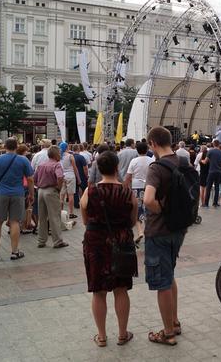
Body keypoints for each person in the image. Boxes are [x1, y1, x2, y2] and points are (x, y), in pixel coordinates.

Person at [80, 151, 137, 347]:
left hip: (95, 244)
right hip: (121, 243)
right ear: (116, 167)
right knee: (121, 289)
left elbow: (85, 219)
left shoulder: (90, 191)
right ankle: (122, 334)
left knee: (98, 291)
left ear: (98, 168)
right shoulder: (127, 192)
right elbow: (132, 221)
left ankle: (102, 336)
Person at [143, 126, 186, 346]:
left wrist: (162, 211)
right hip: (179, 229)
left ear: (153, 144)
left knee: (162, 283)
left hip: (159, 230)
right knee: (169, 275)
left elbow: (148, 200)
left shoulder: (156, 168)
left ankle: (168, 332)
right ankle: (175, 321)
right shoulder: (183, 162)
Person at [0, 138, 34, 262]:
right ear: (16, 146)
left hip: (0, 193)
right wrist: (31, 194)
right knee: (14, 222)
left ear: (4, 146)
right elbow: (30, 179)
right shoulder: (23, 160)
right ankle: (14, 252)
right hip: (17, 194)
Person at [34, 146, 68, 248]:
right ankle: (57, 241)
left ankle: (41, 240)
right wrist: (58, 188)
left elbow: (34, 178)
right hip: (51, 191)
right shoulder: (56, 165)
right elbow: (60, 177)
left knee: (42, 217)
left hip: (40, 191)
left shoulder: (41, 165)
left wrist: (39, 185)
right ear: (56, 154)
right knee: (54, 216)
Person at [123, 141, 154, 244]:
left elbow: (128, 176)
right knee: (148, 209)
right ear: (147, 150)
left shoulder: (134, 161)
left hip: (136, 187)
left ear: (137, 150)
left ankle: (140, 231)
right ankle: (150, 232)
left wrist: (125, 188)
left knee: (137, 209)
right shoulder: (152, 160)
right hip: (149, 187)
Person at [59, 142, 79, 219]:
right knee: (71, 195)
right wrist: (78, 177)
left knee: (61, 195)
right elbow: (75, 168)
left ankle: (60, 212)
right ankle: (71, 212)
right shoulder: (70, 156)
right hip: (70, 176)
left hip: (62, 176)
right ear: (67, 147)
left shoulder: (59, 156)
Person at [203, 139, 221, 208]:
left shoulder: (210, 151)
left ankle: (206, 203)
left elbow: (205, 161)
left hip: (211, 171)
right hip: (218, 172)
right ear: (219, 144)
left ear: (213, 144)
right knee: (217, 187)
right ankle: (215, 203)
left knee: (208, 187)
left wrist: (201, 161)